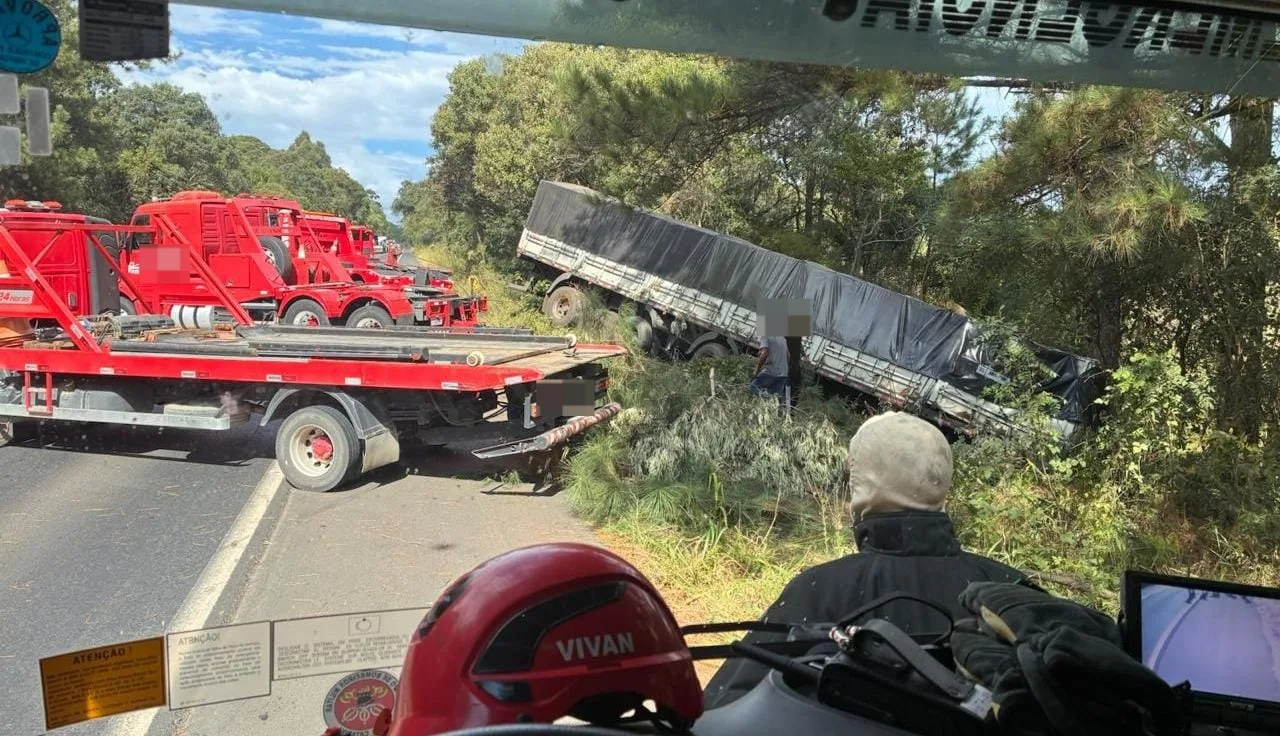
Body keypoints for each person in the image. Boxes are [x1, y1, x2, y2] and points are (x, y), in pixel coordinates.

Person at [702, 411, 1027, 709]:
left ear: (862, 487)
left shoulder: (818, 590)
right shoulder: (1014, 594)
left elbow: (724, 707)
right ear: (941, 478)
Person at [749, 333, 789, 402]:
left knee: (753, 387)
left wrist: (756, 370)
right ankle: (774, 406)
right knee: (775, 397)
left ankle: (767, 398)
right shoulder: (782, 338)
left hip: (772, 371)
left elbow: (764, 354)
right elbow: (788, 356)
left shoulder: (766, 336)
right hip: (784, 373)